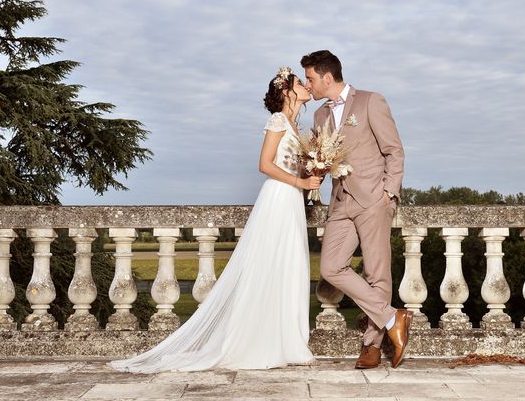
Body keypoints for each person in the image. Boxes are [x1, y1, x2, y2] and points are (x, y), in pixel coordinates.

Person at [110, 67, 320, 372]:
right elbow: (264, 164)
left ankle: (290, 339)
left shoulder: (298, 127)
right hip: (278, 197)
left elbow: (295, 166)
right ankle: (262, 341)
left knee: (290, 263)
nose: (306, 87)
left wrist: (314, 174)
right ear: (287, 92)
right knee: (269, 263)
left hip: (292, 202)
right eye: (300, 83)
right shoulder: (277, 121)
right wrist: (300, 183)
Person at [302, 50, 409, 370]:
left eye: (310, 79)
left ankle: (372, 346)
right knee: (331, 267)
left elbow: (394, 150)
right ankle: (393, 318)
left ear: (326, 76)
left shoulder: (370, 101)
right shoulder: (320, 116)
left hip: (373, 198)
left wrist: (389, 192)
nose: (308, 86)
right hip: (340, 201)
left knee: (378, 273)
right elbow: (324, 157)